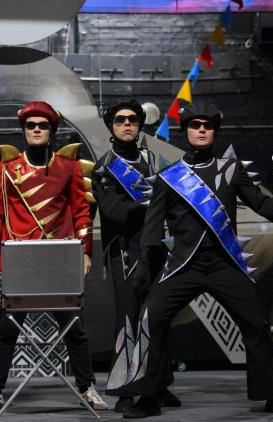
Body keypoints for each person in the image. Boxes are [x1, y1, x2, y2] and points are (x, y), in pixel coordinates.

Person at [122, 102, 273, 418]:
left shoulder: (231, 170)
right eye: (195, 125)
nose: (201, 130)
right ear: (186, 130)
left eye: (207, 125)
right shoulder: (169, 177)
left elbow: (262, 205)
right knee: (152, 320)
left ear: (214, 131)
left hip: (226, 264)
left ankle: (270, 394)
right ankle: (149, 396)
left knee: (256, 323)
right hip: (183, 266)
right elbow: (153, 227)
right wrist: (144, 264)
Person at [0, 101, 107, 412]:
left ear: (51, 131)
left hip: (60, 258)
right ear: (23, 131)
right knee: (7, 328)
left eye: (43, 125)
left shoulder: (69, 167)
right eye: (31, 125)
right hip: (20, 259)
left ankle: (87, 387)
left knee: (74, 328)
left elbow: (81, 214)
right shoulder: (8, 170)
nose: (36, 129)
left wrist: (85, 252)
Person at [91, 100, 180, 413]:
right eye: (120, 120)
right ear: (111, 126)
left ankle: (159, 384)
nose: (127, 123)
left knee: (158, 318)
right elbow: (114, 213)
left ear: (140, 124)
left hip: (158, 249)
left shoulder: (156, 162)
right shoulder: (103, 168)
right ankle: (125, 390)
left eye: (132, 119)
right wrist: (151, 207)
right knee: (128, 319)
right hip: (125, 252)